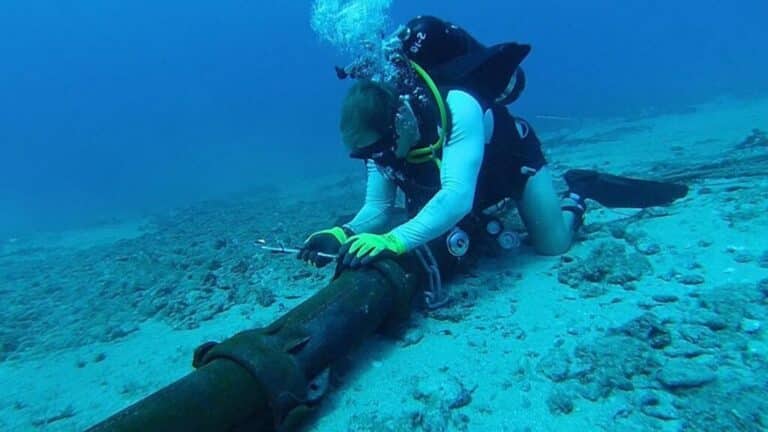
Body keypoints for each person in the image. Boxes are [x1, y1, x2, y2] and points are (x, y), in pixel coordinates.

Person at [299, 16, 687, 280]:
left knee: (553, 245)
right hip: (466, 183)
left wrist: (392, 240)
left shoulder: (458, 107)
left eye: (376, 150)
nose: (375, 161)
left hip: (509, 163)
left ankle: (579, 192)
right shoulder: (380, 148)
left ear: (398, 121)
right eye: (363, 155)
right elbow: (379, 208)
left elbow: (454, 197)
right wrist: (343, 232)